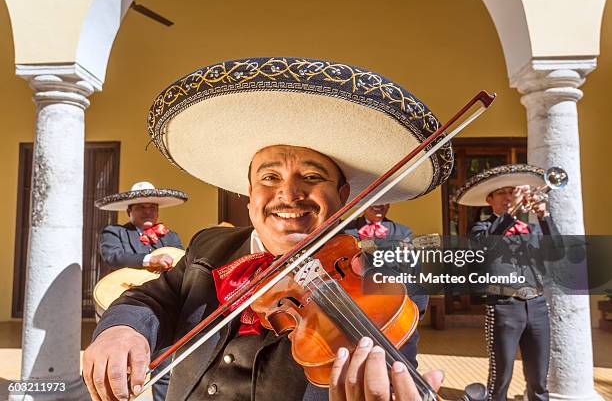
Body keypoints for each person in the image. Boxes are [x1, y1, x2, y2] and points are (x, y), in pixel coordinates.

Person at [83, 57, 454, 401]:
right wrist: (121, 329)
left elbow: (395, 370)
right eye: (270, 177)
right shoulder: (210, 246)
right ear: (249, 196)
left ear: (342, 197)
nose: (289, 194)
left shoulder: (379, 288)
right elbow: (151, 298)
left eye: (311, 176)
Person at [454, 164, 563, 401]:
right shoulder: (481, 229)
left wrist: (544, 217)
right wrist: (510, 213)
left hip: (537, 306)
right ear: (489, 199)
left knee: (538, 379)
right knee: (500, 378)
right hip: (504, 306)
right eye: (502, 192)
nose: (508, 196)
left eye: (512, 191)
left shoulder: (532, 229)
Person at [95, 181, 188, 401]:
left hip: (162, 308)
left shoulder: (171, 237)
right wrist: (149, 259)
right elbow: (112, 256)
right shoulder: (114, 232)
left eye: (152, 207)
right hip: (125, 303)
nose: (148, 211)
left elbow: (184, 262)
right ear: (129, 211)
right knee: (121, 367)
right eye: (141, 207)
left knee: (164, 365)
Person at [344, 204, 427, 368]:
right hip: (356, 310)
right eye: (376, 199)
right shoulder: (345, 230)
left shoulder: (403, 233)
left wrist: (415, 310)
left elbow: (415, 275)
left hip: (393, 310)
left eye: (386, 200)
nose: (379, 204)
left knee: (403, 365)